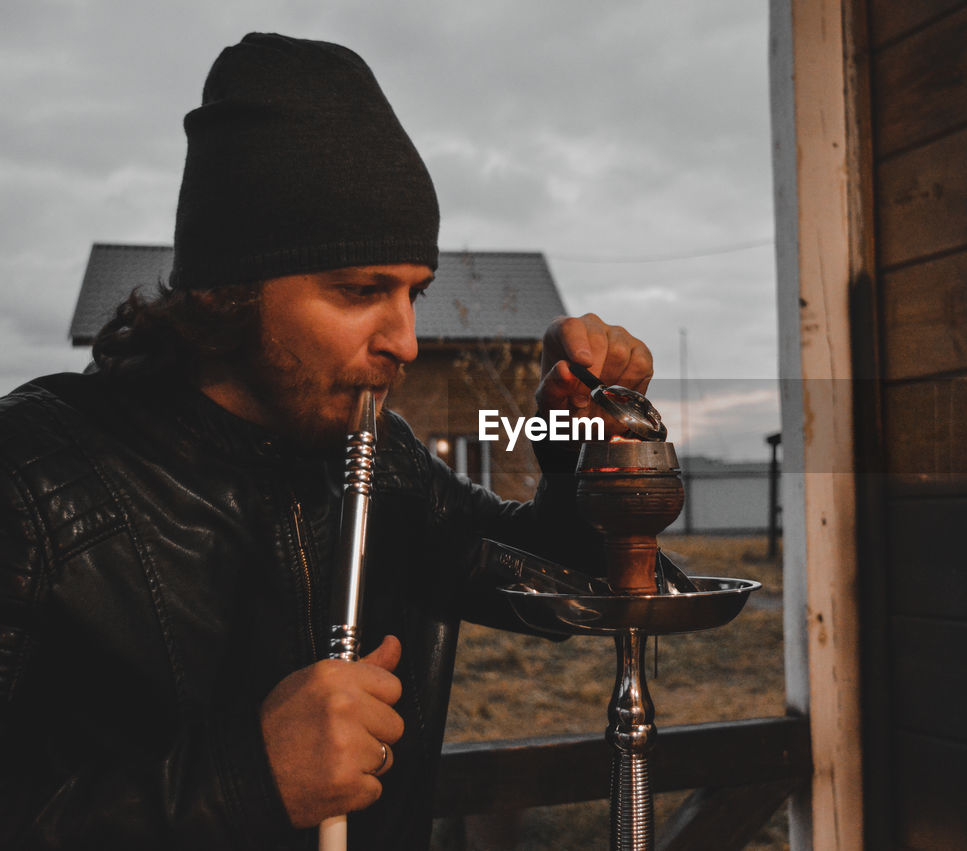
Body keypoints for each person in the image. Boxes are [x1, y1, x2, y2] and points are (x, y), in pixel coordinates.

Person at [0, 33, 652, 849]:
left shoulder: (387, 460)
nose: (406, 340)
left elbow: (572, 583)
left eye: (415, 292)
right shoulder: (34, 480)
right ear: (225, 288)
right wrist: (239, 785)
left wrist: (577, 439)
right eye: (359, 291)